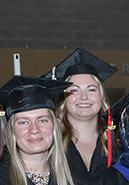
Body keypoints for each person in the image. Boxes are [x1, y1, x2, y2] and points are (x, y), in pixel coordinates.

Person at [50, 48, 117, 178]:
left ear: (101, 96)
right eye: (74, 90)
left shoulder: (118, 143)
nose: (84, 97)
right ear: (64, 98)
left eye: (91, 90)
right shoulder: (50, 142)